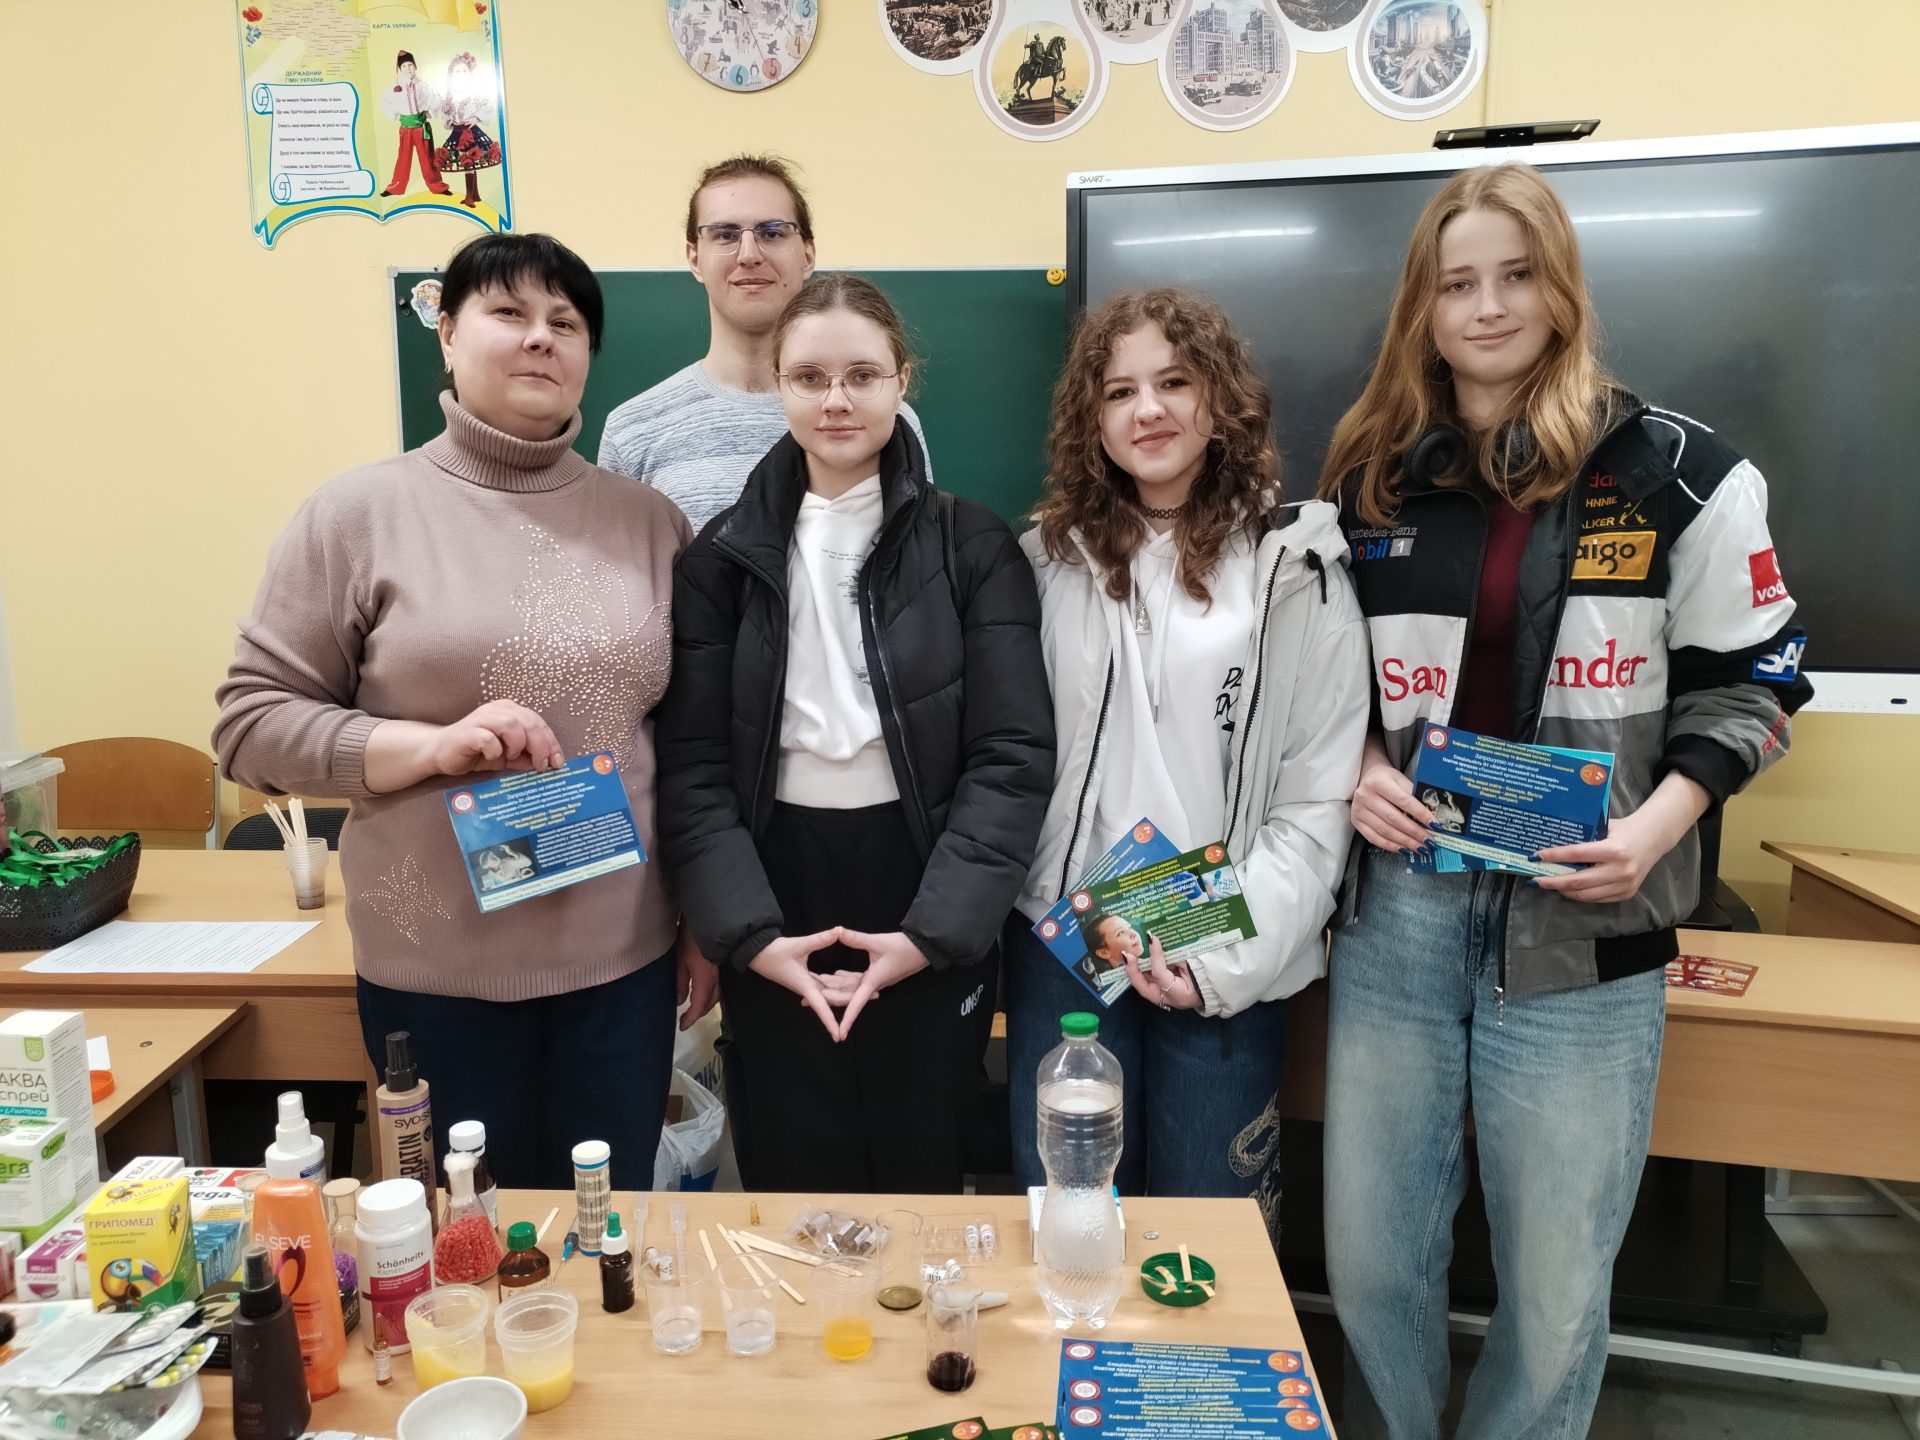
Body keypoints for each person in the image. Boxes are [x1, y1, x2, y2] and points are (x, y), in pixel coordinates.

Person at [1316, 162, 1813, 1440]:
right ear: (1423, 307)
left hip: (1587, 923)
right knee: (1371, 1261)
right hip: (1400, 913)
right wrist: (1361, 766)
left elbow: (1759, 681)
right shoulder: (1370, 475)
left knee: (1553, 1290)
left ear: (1563, 287)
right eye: (1457, 283)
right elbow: (1318, 679)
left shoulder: (1680, 471)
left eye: (1516, 275)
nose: (1487, 307)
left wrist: (1655, 831)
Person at [214, 232, 704, 1192]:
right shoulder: (358, 515)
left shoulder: (650, 522)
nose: (539, 338)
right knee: (460, 1242)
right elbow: (249, 725)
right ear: (445, 332)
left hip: (624, 969)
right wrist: (428, 747)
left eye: (565, 322)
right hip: (435, 976)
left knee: (606, 1232)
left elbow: (687, 740)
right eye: (508, 313)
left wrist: (700, 921)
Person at [655, 274, 1053, 1193]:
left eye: (863, 375)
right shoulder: (718, 561)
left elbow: (1012, 757)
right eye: (810, 377)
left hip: (925, 878)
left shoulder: (974, 547)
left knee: (924, 1166)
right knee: (793, 1174)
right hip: (773, 881)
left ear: (902, 380)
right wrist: (751, 939)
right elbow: (695, 767)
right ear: (779, 385)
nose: (836, 399)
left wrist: (930, 936)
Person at [1004, 287, 1371, 1240]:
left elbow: (1317, 796)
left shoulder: (1295, 565)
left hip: (1223, 941)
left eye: (1174, 382)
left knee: (1211, 1245)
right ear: (1092, 418)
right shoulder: (1042, 561)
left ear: (1220, 398)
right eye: (1119, 391)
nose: (1149, 410)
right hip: (1071, 940)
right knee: (1072, 1226)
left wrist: (1221, 964)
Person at [597, 155, 935, 534]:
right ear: (694, 257)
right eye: (725, 235)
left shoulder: (883, 419)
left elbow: (916, 555)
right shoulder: (633, 430)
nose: (749, 255)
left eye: (772, 233)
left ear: (807, 254)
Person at [434, 52, 503, 210]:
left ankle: (469, 196)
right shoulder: (450, 95)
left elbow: (488, 105)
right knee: (468, 162)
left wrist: (476, 118)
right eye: (457, 72)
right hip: (457, 132)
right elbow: (446, 113)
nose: (461, 74)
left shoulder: (474, 92)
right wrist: (449, 120)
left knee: (469, 161)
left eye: (464, 71)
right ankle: (475, 194)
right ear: (452, 75)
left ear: (469, 72)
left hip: (471, 132)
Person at [378, 51, 450, 198]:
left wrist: (431, 112)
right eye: (404, 66)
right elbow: (385, 101)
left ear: (415, 66)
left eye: (410, 65)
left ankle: (437, 186)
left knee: (428, 158)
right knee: (403, 158)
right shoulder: (396, 88)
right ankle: (395, 187)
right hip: (406, 129)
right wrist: (396, 115)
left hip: (421, 128)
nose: (408, 68)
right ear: (400, 69)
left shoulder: (423, 85)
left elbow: (437, 98)